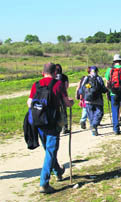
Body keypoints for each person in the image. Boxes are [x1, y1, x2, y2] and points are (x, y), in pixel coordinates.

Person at [27, 62, 74, 193]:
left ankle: (58, 171)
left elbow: (29, 103)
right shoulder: (58, 84)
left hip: (38, 122)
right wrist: (71, 102)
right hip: (52, 122)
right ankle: (44, 183)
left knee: (48, 150)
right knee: (51, 151)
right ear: (55, 73)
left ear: (43, 72)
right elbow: (66, 103)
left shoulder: (36, 84)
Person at [79, 66, 108, 136]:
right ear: (97, 71)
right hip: (98, 100)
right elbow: (103, 89)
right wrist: (107, 90)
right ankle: (94, 126)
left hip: (87, 100)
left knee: (91, 116)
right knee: (99, 113)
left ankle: (93, 131)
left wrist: (82, 97)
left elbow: (81, 89)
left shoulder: (86, 78)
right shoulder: (99, 78)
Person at [55, 64, 70, 134]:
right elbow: (66, 86)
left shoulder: (53, 77)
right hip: (62, 96)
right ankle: (65, 127)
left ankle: (58, 127)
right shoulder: (64, 77)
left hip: (54, 97)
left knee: (57, 112)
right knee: (63, 112)